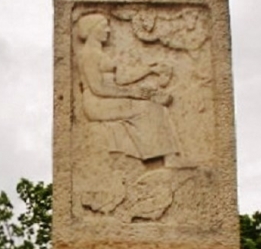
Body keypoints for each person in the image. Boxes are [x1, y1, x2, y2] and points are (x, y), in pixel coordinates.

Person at [74, 12, 183, 166]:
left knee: (153, 104)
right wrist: (133, 93)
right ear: (92, 29)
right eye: (104, 27)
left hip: (108, 98)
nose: (108, 31)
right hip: (97, 103)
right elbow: (98, 89)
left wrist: (149, 69)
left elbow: (121, 79)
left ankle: (167, 157)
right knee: (147, 108)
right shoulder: (88, 55)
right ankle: (159, 158)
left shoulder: (100, 54)